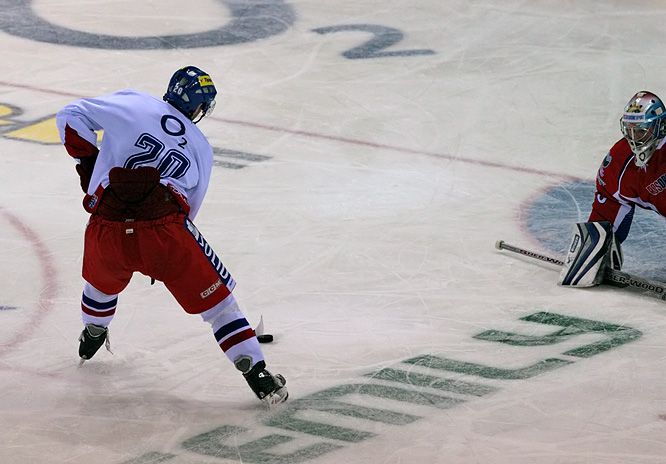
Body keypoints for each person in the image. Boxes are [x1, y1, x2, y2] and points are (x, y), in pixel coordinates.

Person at [55, 66, 288, 406]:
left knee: (100, 284)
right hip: (165, 232)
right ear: (199, 108)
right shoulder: (201, 148)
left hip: (107, 225)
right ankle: (258, 374)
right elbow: (189, 212)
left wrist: (90, 165)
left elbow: (70, 116)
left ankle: (92, 332)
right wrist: (162, 251)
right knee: (221, 306)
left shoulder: (134, 103)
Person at [559, 90, 666, 287]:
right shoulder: (620, 159)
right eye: (630, 130)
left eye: (641, 131)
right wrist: (598, 244)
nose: (634, 138)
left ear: (660, 127)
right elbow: (609, 198)